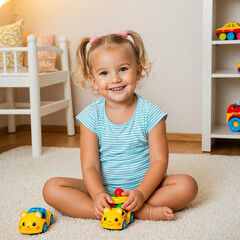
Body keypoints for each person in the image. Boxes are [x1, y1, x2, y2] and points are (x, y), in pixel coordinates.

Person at [43, 30, 198, 221]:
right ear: (93, 81)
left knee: (187, 185)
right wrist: (98, 194)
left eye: (123, 69)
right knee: (51, 188)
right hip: (104, 190)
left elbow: (159, 161)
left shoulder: (151, 114)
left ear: (138, 71)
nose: (115, 78)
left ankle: (132, 208)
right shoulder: (91, 117)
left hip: (146, 189)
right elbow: (90, 166)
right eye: (104, 73)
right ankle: (133, 212)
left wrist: (141, 193)